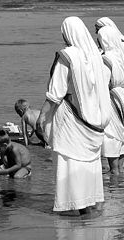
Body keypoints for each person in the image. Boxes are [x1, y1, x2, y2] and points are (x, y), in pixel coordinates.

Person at [36, 16, 111, 215]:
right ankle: (90, 204)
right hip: (92, 119)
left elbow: (55, 93)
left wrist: (42, 118)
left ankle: (73, 206)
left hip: (71, 119)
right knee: (88, 163)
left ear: (66, 33)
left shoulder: (67, 56)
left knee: (68, 160)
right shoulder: (94, 56)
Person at [97, 26, 124, 175]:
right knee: (121, 137)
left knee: (111, 135)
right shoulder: (121, 55)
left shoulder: (106, 59)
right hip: (122, 95)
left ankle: (114, 191)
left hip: (111, 98)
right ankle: (120, 183)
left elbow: (103, 82)